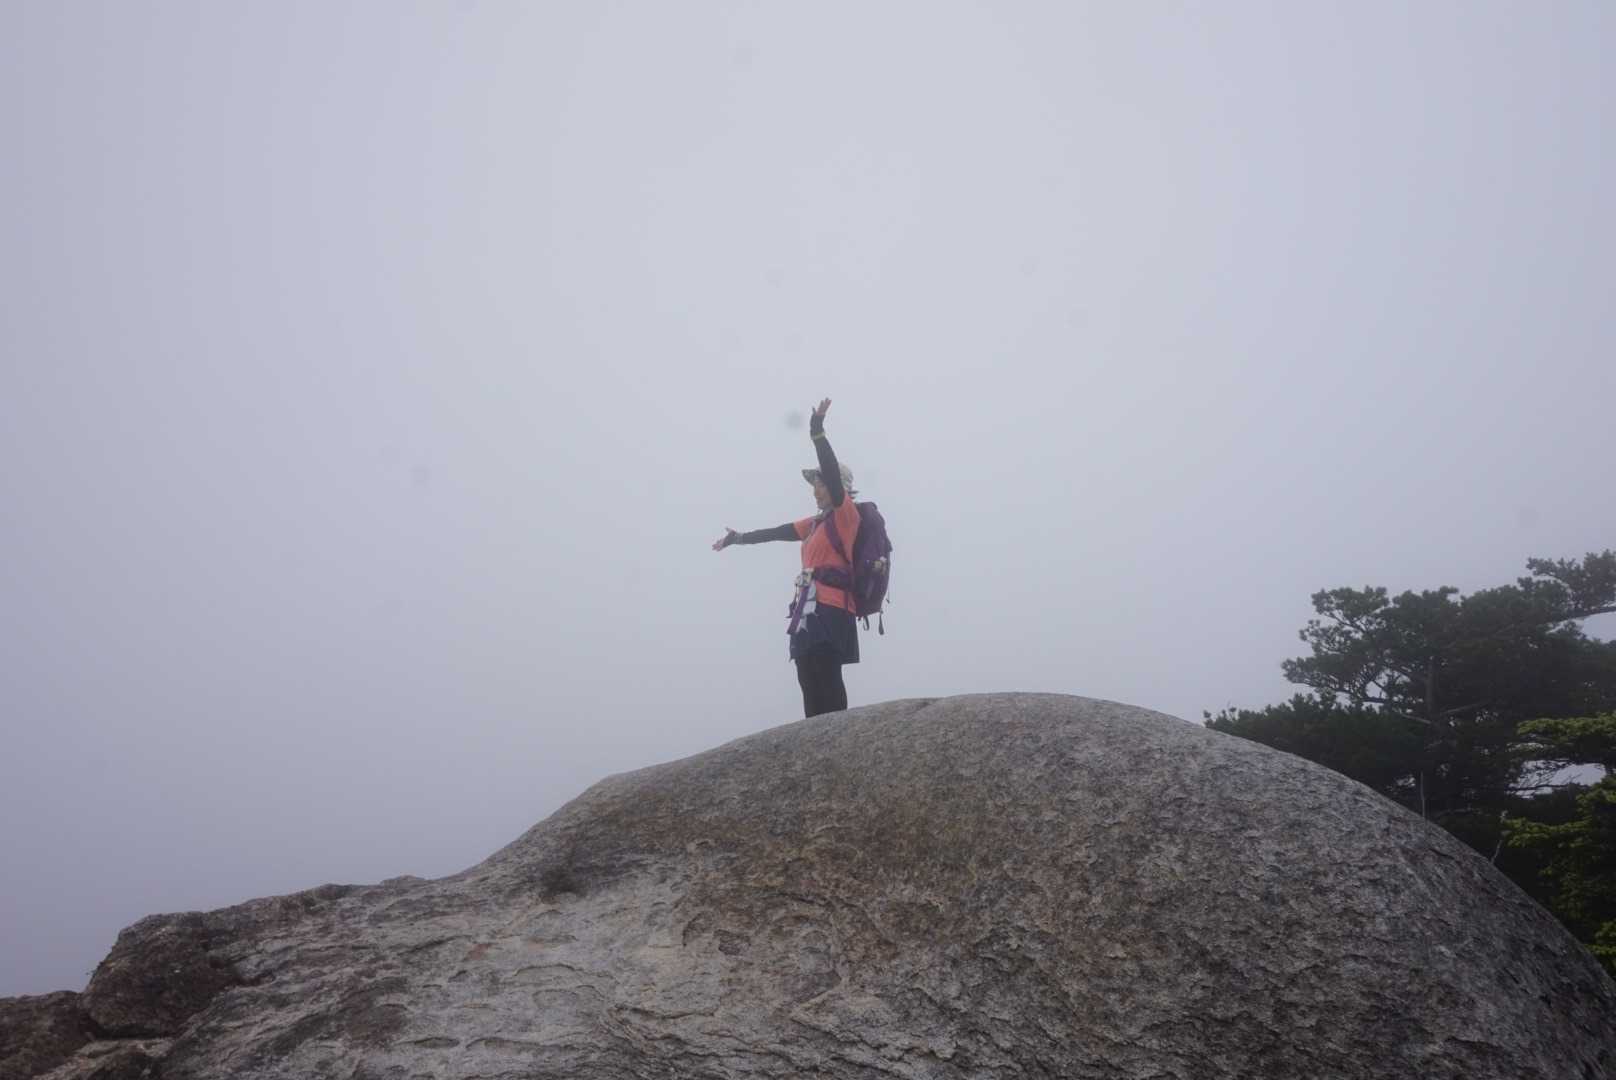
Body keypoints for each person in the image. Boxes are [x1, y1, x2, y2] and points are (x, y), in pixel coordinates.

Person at [712, 398, 862, 718]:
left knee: (826, 670)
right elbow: (778, 532)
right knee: (807, 673)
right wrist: (739, 538)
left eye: (819, 484)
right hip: (808, 609)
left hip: (833, 607)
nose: (815, 490)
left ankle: (840, 736)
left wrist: (817, 431)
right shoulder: (815, 523)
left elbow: (831, 472)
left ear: (836, 488)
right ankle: (815, 739)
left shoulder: (845, 515)